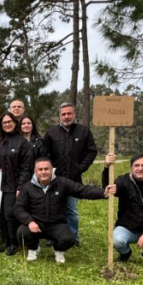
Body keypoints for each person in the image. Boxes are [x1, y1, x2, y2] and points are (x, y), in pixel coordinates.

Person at [14, 158, 115, 263]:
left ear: (52, 169)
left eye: (46, 169)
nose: (43, 172)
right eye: (40, 169)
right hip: (36, 224)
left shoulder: (62, 183)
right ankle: (34, 248)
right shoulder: (27, 187)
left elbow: (82, 190)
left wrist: (103, 192)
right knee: (22, 232)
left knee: (69, 239)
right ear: (35, 171)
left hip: (56, 224)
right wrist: (29, 221)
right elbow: (18, 208)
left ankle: (57, 249)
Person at [42, 102, 97, 246]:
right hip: (54, 179)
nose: (66, 117)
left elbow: (92, 151)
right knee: (53, 209)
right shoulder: (51, 133)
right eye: (63, 114)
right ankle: (53, 236)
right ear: (59, 116)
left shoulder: (83, 131)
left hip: (73, 179)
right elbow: (43, 152)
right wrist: (49, 170)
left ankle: (73, 237)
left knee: (71, 210)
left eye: (69, 114)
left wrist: (81, 167)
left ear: (74, 114)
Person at [0, 112, 32, 255]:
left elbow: (26, 166)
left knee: (9, 214)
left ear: (15, 123)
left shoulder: (22, 142)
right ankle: (5, 241)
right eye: (4, 122)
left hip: (13, 185)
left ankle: (14, 243)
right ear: (1, 125)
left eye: (9, 121)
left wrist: (20, 186)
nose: (7, 124)